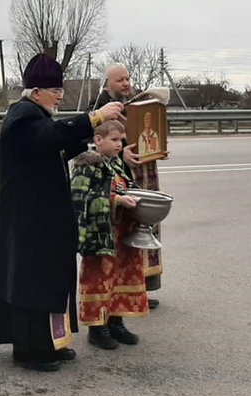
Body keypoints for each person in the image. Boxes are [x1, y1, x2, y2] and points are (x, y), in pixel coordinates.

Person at [0, 53, 125, 372]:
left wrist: (87, 139)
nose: (60, 95)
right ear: (35, 92)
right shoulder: (23, 116)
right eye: (54, 90)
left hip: (40, 215)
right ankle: (32, 351)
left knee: (45, 281)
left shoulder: (35, 114)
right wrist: (94, 118)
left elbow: (54, 148)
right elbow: (49, 138)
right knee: (33, 282)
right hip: (29, 218)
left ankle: (49, 343)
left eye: (60, 89)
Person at [90, 63, 165, 310]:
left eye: (127, 78)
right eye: (119, 80)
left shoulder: (136, 103)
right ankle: (118, 294)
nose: (126, 83)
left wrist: (158, 148)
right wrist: (122, 157)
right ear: (107, 84)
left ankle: (140, 288)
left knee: (144, 228)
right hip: (116, 182)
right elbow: (92, 146)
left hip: (144, 174)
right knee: (125, 235)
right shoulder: (99, 108)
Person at [71, 120, 149, 349]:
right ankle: (97, 327)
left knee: (121, 276)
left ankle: (116, 322)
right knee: (99, 278)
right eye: (114, 140)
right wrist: (115, 200)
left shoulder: (115, 163)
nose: (119, 145)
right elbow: (81, 199)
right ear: (98, 140)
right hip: (100, 234)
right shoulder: (86, 165)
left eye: (120, 140)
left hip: (121, 233)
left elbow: (123, 186)